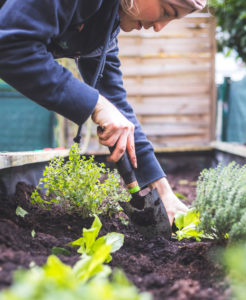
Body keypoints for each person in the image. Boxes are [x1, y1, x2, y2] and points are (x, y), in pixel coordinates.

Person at [0, 0, 206, 226]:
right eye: (166, 11)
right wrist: (97, 104)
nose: (159, 27)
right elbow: (11, 46)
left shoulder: (105, 22)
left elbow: (117, 107)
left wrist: (163, 191)